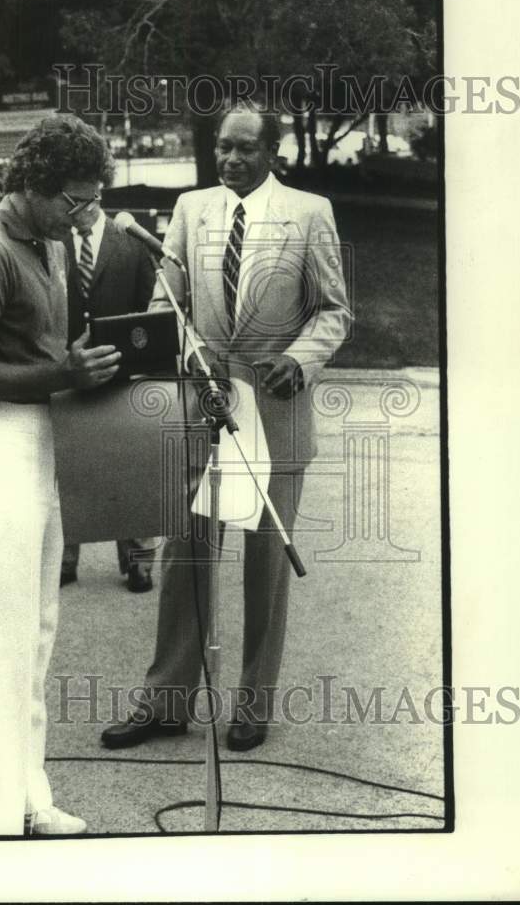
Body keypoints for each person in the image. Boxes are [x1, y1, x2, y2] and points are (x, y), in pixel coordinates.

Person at [101, 103, 351, 753]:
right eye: (223, 147)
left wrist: (299, 362)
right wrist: (188, 354)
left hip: (276, 410)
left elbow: (334, 312)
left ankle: (253, 704)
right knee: (189, 557)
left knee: (266, 562)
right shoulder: (191, 210)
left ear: (274, 151)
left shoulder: (309, 212)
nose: (231, 159)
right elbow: (166, 303)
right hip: (204, 408)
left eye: (245, 148)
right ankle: (166, 701)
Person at [0, 115, 121, 836]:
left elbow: (39, 351)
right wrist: (59, 372)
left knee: (37, 631)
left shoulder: (47, 237)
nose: (87, 215)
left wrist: (84, 372)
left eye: (91, 201)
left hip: (40, 438)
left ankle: (25, 797)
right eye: (75, 201)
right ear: (33, 187)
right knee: (4, 636)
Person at [60, 204, 158, 593]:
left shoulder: (129, 242)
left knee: (130, 473)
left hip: (123, 372)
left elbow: (151, 304)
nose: (74, 209)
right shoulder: (53, 239)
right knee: (67, 471)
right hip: (67, 371)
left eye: (81, 200)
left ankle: (138, 563)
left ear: (97, 195)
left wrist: (141, 361)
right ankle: (64, 561)